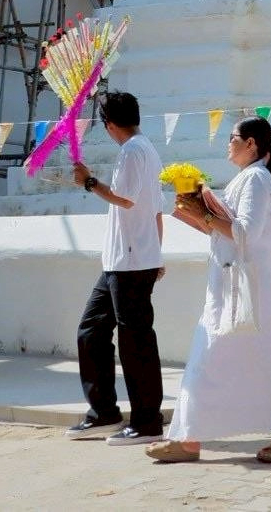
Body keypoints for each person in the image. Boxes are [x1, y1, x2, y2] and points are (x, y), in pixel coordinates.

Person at [148, 117, 271, 464]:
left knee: (213, 356)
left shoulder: (257, 179)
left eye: (232, 138)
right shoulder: (252, 178)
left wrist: (203, 215)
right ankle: (192, 439)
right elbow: (228, 232)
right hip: (237, 283)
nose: (227, 144)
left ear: (251, 144)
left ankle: (192, 439)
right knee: (250, 358)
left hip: (246, 287)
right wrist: (196, 212)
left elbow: (245, 233)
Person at [67, 90, 167, 446]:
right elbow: (154, 209)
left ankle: (147, 421)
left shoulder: (133, 152)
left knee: (135, 341)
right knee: (91, 331)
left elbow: (126, 199)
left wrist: (89, 182)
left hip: (130, 261)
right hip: (124, 259)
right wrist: (157, 253)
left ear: (108, 125)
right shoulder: (147, 150)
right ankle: (104, 411)